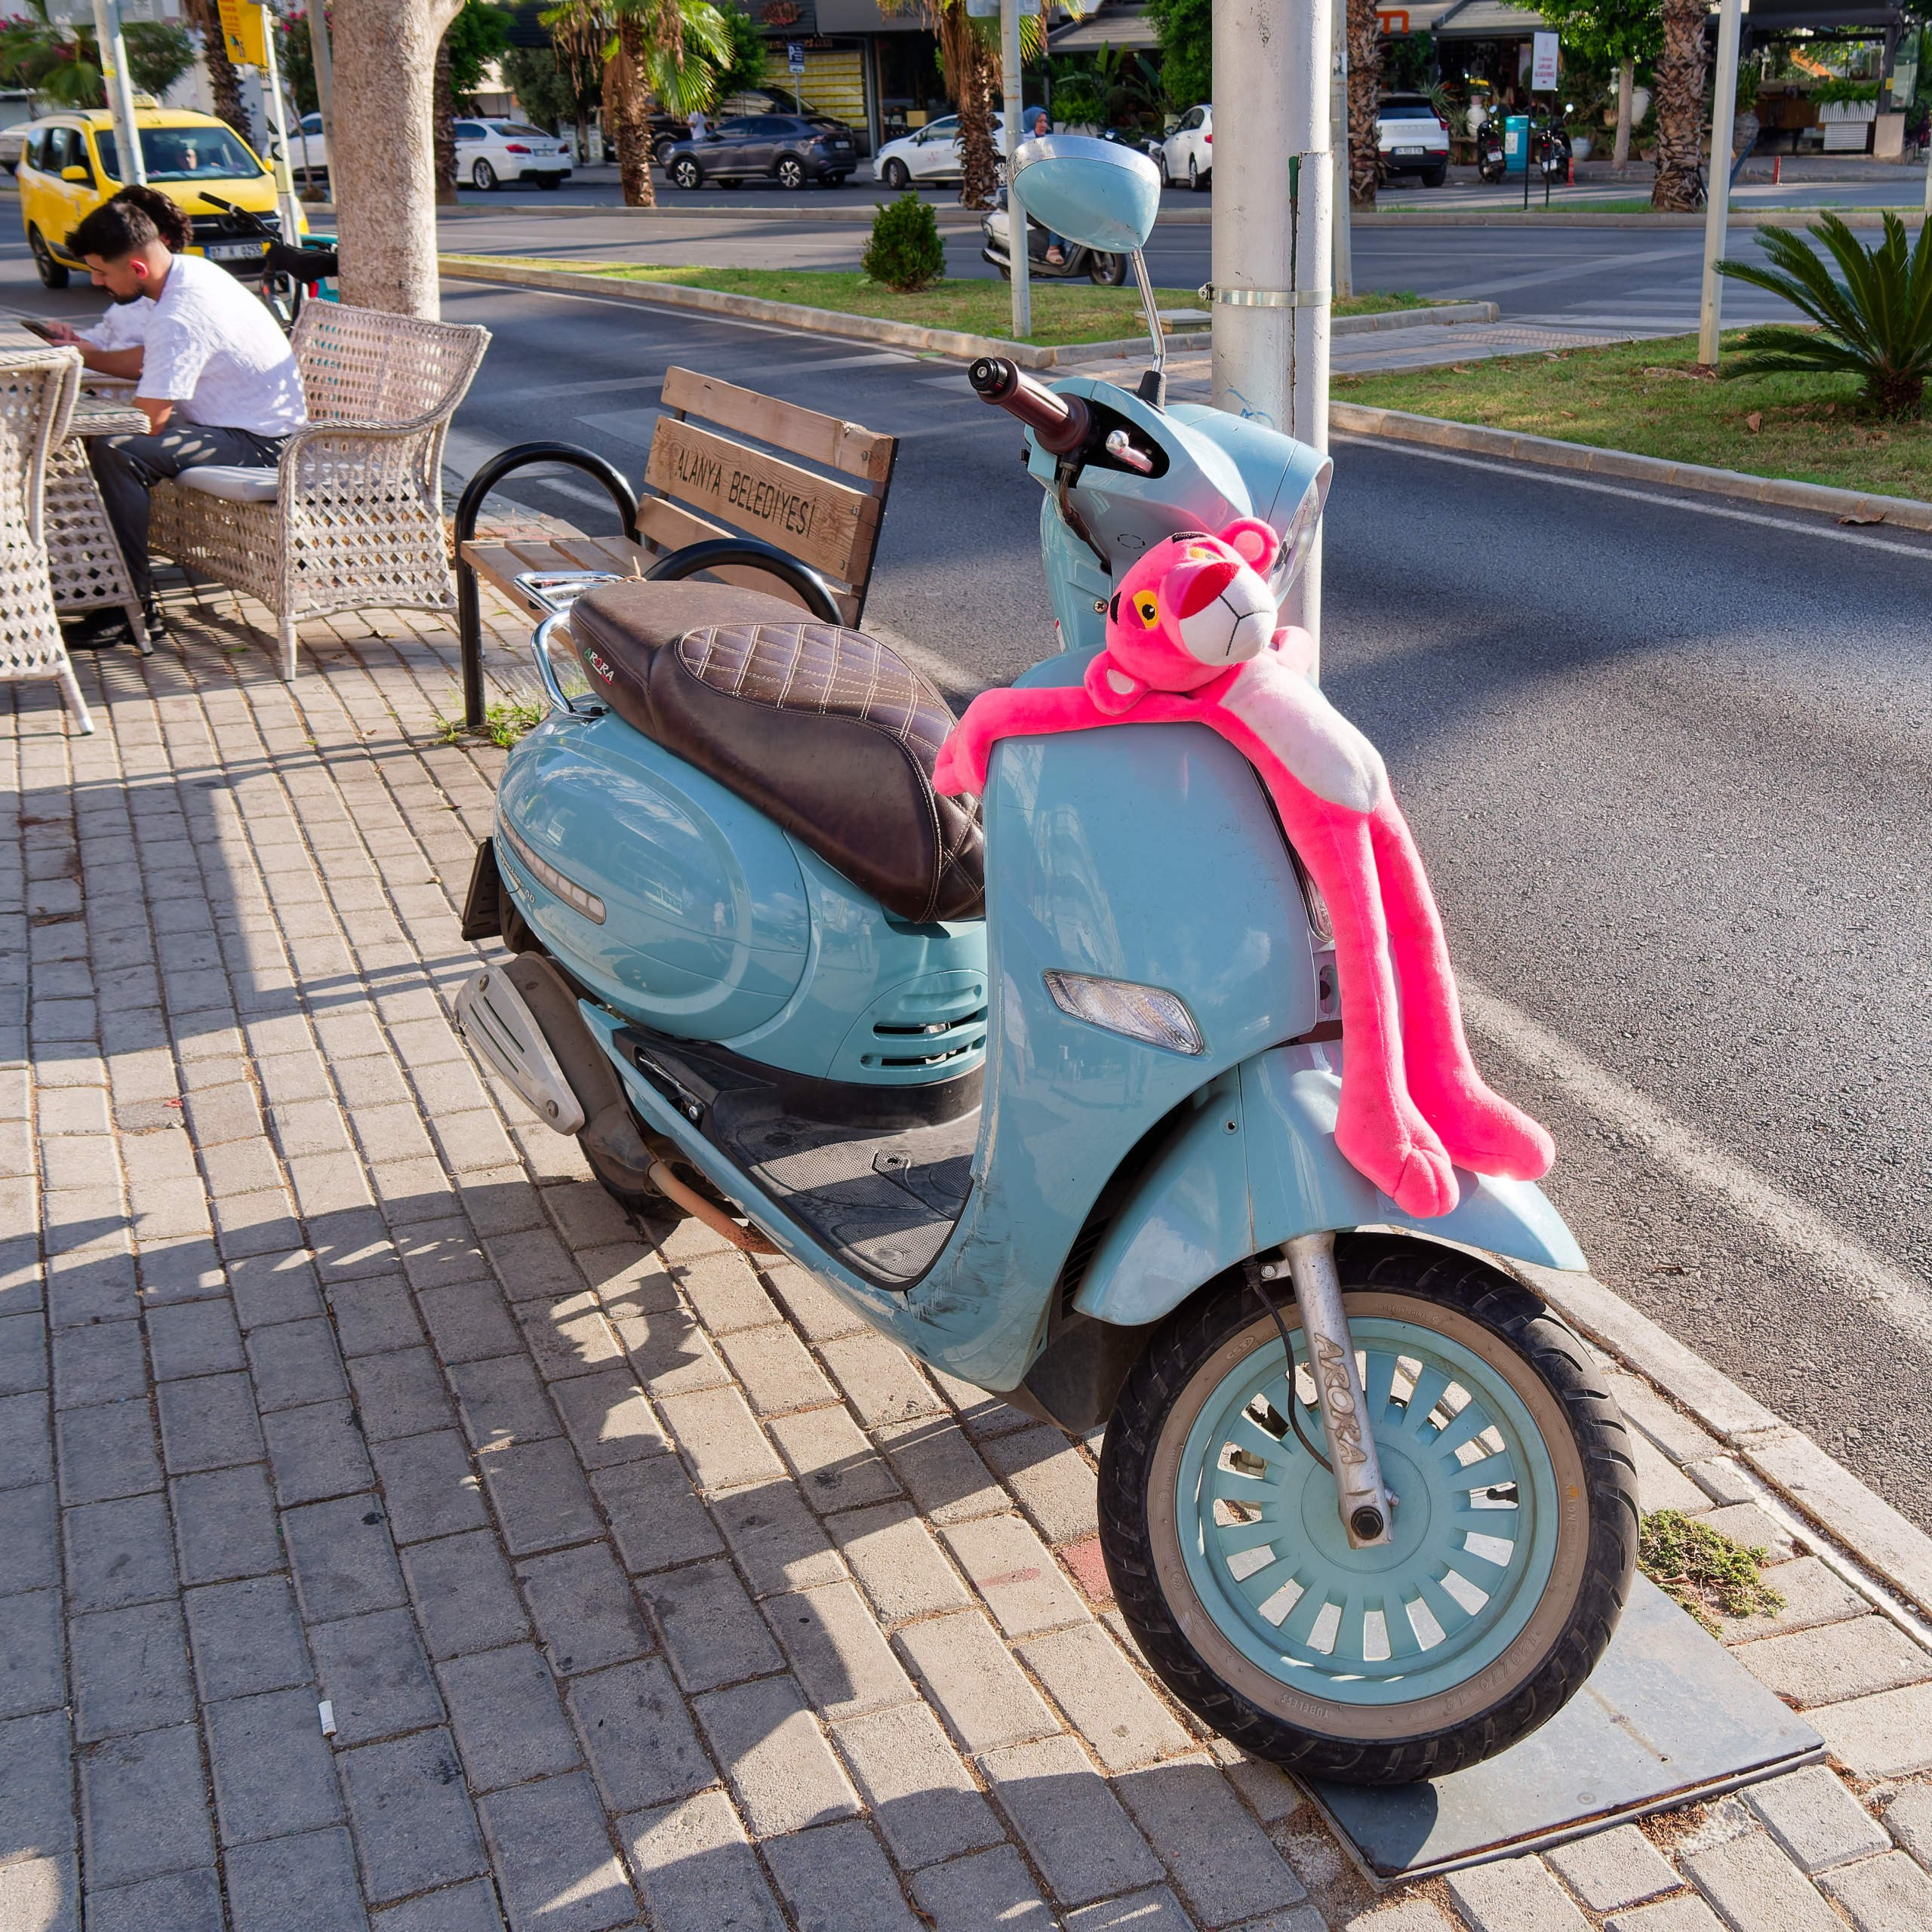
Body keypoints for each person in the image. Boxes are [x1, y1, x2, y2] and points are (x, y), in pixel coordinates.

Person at [41, 184, 306, 651]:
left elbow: (151, 422)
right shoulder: (192, 273)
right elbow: (149, 359)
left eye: (101, 273)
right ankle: (110, 591)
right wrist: (83, 356)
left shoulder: (179, 314)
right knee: (106, 447)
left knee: (117, 453)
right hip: (242, 426)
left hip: (265, 442)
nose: (99, 283)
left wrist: (78, 421)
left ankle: (130, 607)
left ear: (137, 267)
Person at [1026, 109, 1067, 265]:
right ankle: (1053, 248)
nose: (1043, 124)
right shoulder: (1025, 141)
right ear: (1031, 122)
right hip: (1032, 190)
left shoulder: (1048, 141)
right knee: (1058, 209)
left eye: (1045, 121)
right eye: (1039, 121)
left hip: (1048, 187)